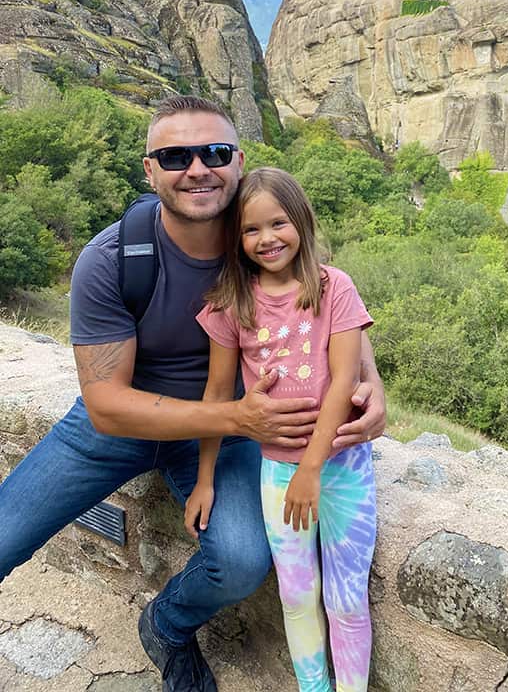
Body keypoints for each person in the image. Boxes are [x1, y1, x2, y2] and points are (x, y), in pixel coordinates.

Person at [0, 95, 386, 692]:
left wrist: (372, 386)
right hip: (126, 426)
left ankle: (166, 623)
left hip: (228, 431)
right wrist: (237, 416)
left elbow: (326, 311)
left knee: (238, 563)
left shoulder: (263, 237)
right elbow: (105, 403)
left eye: (214, 152)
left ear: (238, 161)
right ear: (149, 169)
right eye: (176, 155)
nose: (198, 168)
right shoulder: (111, 259)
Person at [187, 167, 376, 692]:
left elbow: (344, 379)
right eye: (251, 230)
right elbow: (216, 396)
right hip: (276, 471)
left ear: (301, 221)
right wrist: (205, 478)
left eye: (278, 223)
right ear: (237, 239)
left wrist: (312, 467)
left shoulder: (331, 286)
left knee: (345, 598)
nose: (267, 239)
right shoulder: (231, 304)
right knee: (296, 596)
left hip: (339, 467)